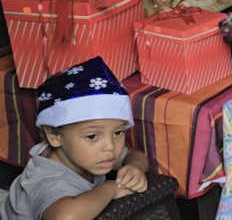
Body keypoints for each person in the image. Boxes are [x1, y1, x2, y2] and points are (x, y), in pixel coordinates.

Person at [1, 56, 149, 220]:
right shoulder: (46, 179)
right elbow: (66, 217)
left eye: (118, 132)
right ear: (54, 135)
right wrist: (110, 188)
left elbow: (134, 155)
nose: (110, 146)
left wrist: (135, 167)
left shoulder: (91, 153)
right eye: (92, 136)